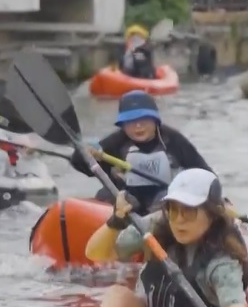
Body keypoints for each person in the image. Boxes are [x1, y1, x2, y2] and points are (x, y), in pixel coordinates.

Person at [84, 168, 248, 307]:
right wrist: (115, 222)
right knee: (118, 295)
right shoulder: (156, 226)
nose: (179, 219)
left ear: (211, 214)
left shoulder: (222, 259)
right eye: (173, 209)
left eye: (189, 211)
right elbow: (95, 253)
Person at [70, 90, 213, 214]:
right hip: (127, 204)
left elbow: (205, 173)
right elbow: (80, 165)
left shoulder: (172, 139)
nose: (138, 126)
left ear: (155, 120)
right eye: (130, 121)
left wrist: (215, 199)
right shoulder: (116, 142)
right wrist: (83, 151)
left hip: (164, 202)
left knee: (166, 199)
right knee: (106, 194)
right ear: (123, 125)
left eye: (144, 119)